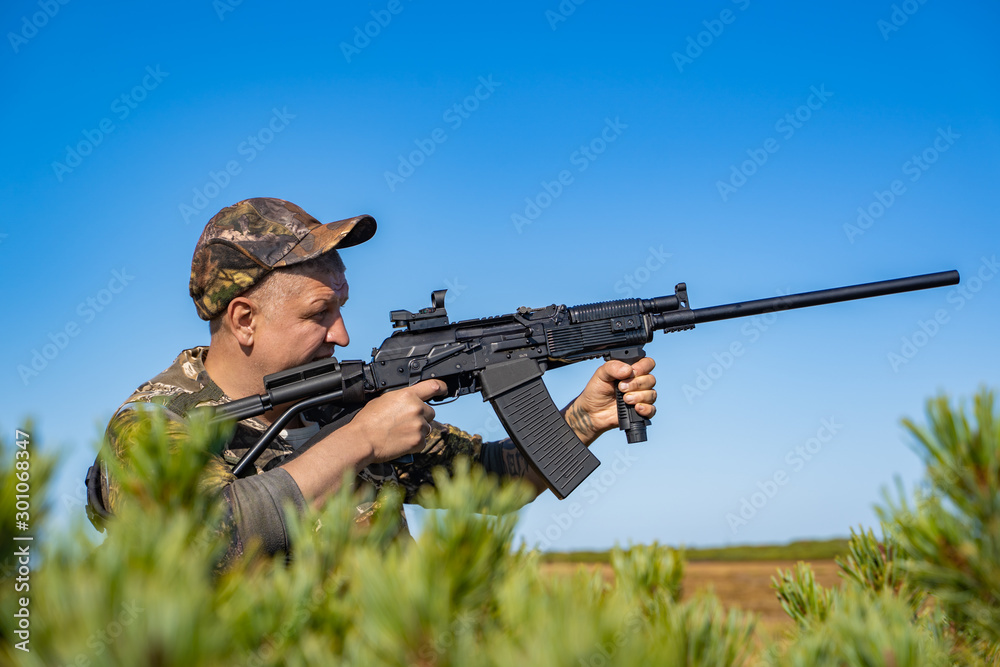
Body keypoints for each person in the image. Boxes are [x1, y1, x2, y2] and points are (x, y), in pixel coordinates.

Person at [85, 197, 658, 559]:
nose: (343, 335)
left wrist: (580, 421)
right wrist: (359, 442)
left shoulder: (335, 400)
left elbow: (489, 485)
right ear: (244, 319)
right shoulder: (154, 427)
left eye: (342, 307)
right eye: (318, 313)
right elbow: (205, 542)